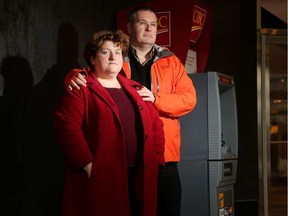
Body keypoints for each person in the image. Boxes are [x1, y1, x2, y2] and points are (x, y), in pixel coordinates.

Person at [65, 6, 197, 216]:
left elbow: (189, 99)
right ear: (129, 27)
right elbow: (93, 76)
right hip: (123, 160)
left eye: (154, 24)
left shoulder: (171, 61)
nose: (149, 28)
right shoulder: (117, 55)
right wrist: (72, 75)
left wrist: (156, 99)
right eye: (143, 23)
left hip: (163, 157)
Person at [53, 30, 165, 216]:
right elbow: (66, 127)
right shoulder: (81, 87)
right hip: (103, 176)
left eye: (118, 52)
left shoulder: (135, 89)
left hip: (140, 175)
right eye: (105, 52)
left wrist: (157, 161)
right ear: (92, 59)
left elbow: (156, 126)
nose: (113, 57)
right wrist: (87, 164)